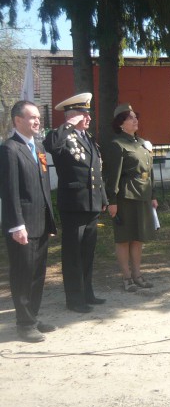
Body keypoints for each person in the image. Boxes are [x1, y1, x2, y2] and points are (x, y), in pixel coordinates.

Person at [44, 93, 108, 313]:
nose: (88, 117)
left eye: (88, 113)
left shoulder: (87, 137)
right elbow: (50, 144)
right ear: (72, 115)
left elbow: (95, 170)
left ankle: (87, 293)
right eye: (84, 113)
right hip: (73, 204)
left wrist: (103, 198)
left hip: (91, 203)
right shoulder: (63, 137)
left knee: (87, 253)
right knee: (73, 255)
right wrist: (68, 125)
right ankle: (74, 299)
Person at [0, 101, 57, 342]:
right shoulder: (10, 149)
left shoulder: (39, 147)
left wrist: (50, 222)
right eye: (31, 117)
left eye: (38, 117)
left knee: (37, 274)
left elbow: (43, 188)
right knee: (23, 275)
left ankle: (32, 317)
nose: (37, 121)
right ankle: (24, 324)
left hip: (41, 222)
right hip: (22, 226)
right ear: (17, 121)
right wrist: (16, 225)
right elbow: (10, 191)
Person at [104, 104, 158, 292]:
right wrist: (112, 201)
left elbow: (149, 172)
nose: (135, 120)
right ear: (121, 124)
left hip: (143, 195)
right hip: (126, 196)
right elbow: (113, 176)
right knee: (124, 238)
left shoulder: (142, 143)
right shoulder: (117, 144)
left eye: (136, 117)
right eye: (130, 118)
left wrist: (153, 195)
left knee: (138, 237)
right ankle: (126, 277)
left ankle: (138, 274)